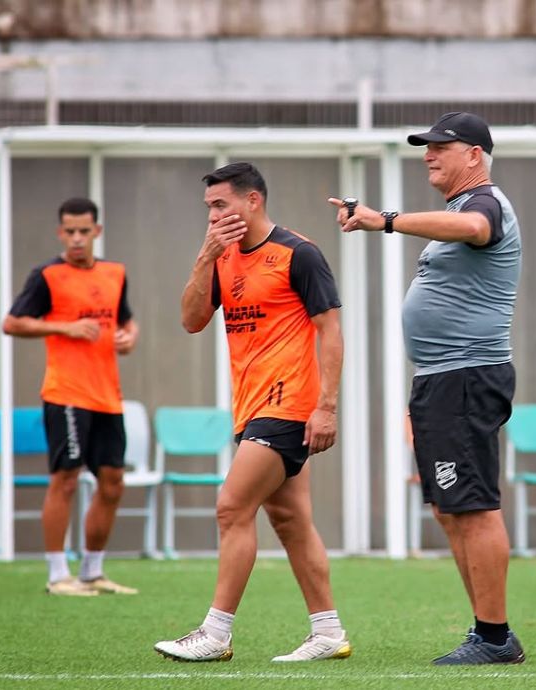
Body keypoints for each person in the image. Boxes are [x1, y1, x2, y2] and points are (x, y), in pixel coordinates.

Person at [330, 111, 524, 665]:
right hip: (442, 378)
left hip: (467, 375)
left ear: (475, 155)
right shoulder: (456, 207)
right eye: (426, 146)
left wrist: (384, 220)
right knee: (448, 506)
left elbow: (477, 230)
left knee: (475, 506)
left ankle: (492, 638)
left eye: (442, 145)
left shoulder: (485, 202)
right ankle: (491, 633)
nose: (428, 154)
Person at [154, 162, 349, 663]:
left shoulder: (298, 253)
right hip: (251, 407)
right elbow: (192, 320)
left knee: (231, 507)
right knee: (290, 521)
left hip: (288, 405)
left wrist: (326, 407)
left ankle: (216, 634)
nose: (214, 216)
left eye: (221, 205)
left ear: (253, 201)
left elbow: (331, 330)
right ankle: (328, 632)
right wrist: (204, 257)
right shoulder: (220, 258)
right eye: (209, 209)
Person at [3, 197, 140, 597]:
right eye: (70, 231)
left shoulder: (116, 273)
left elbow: (126, 320)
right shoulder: (47, 276)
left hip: (107, 395)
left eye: (85, 231)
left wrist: (129, 337)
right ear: (60, 232)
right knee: (65, 478)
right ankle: (56, 574)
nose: (77, 238)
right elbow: (12, 322)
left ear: (97, 231)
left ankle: (92, 572)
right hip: (66, 393)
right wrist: (65, 327)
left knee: (113, 482)